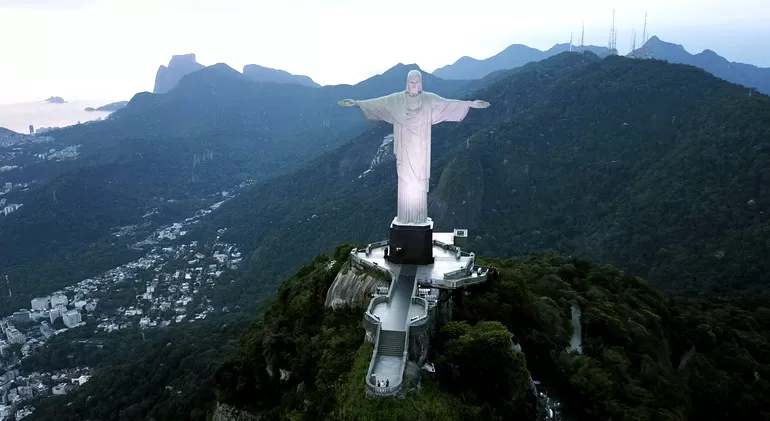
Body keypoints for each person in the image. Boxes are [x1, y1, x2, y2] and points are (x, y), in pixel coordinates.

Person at [338, 70, 489, 225]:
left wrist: (470, 104)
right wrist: (357, 103)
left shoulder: (429, 100)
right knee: (405, 182)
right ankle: (405, 217)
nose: (414, 85)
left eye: (417, 83)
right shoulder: (397, 100)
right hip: (405, 149)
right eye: (411, 82)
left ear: (421, 83)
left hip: (420, 150)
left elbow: (447, 104)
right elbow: (379, 102)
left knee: (418, 181)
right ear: (407, 83)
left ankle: (418, 218)